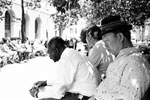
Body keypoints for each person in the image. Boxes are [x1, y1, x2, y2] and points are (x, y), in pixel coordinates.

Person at [89, 15, 150, 100]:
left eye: (107, 40)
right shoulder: (122, 60)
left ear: (120, 37)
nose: (105, 45)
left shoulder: (135, 63)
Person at [29, 36, 99, 100]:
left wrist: (37, 94)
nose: (50, 57)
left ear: (56, 51)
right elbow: (64, 81)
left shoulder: (66, 59)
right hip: (91, 94)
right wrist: (46, 82)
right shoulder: (72, 53)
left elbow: (58, 93)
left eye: (50, 53)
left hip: (85, 97)